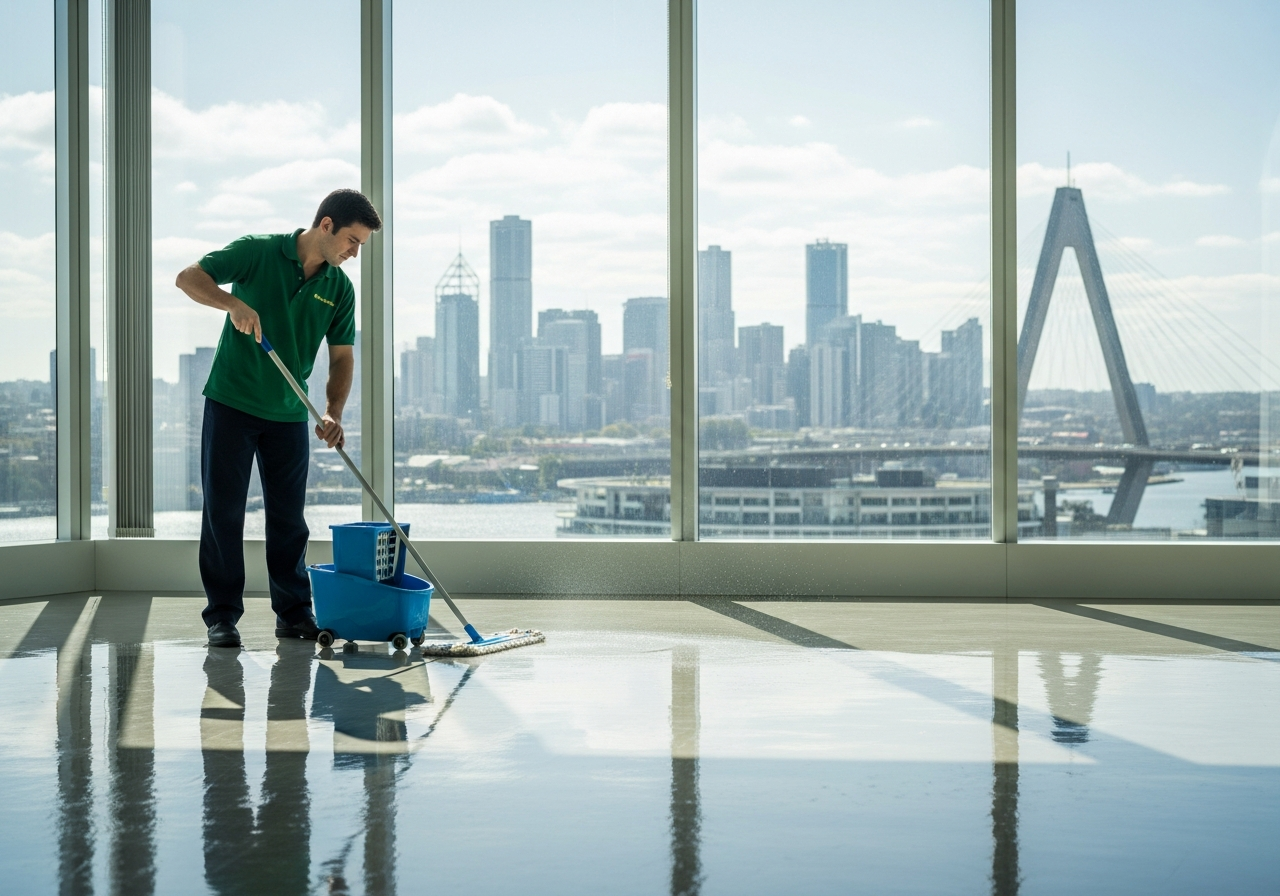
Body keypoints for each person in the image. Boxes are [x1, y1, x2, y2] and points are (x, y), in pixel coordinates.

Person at [175, 188, 381, 648]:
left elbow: (342, 359)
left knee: (289, 519)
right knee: (223, 513)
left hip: (289, 414)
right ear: (325, 225)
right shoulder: (257, 252)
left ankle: (293, 614)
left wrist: (332, 412)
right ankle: (222, 617)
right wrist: (233, 304)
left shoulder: (339, 289)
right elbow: (188, 278)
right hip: (231, 403)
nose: (354, 252)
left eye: (361, 246)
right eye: (352, 240)